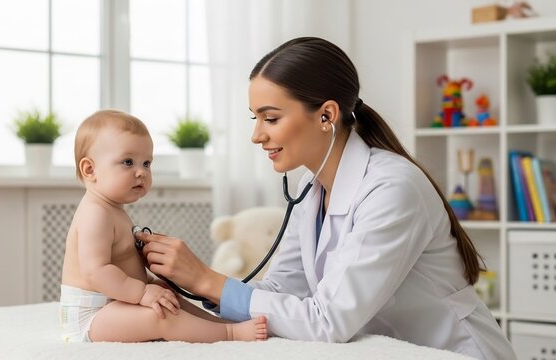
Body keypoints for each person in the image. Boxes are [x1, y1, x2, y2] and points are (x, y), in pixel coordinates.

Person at [136, 38, 516, 359]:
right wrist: (184, 293)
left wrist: (207, 280)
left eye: (270, 119)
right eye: (254, 118)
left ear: (326, 116)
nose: (256, 135)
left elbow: (327, 320)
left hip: (452, 351)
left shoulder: (392, 188)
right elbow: (281, 293)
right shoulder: (312, 185)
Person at [59, 110, 268, 343]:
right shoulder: (95, 214)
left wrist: (148, 280)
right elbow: (96, 271)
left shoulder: (114, 209)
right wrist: (141, 292)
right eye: (128, 162)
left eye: (147, 163)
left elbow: (122, 262)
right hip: (91, 316)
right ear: (90, 169)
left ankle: (218, 324)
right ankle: (229, 334)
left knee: (169, 298)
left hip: (115, 302)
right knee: (161, 315)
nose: (141, 172)